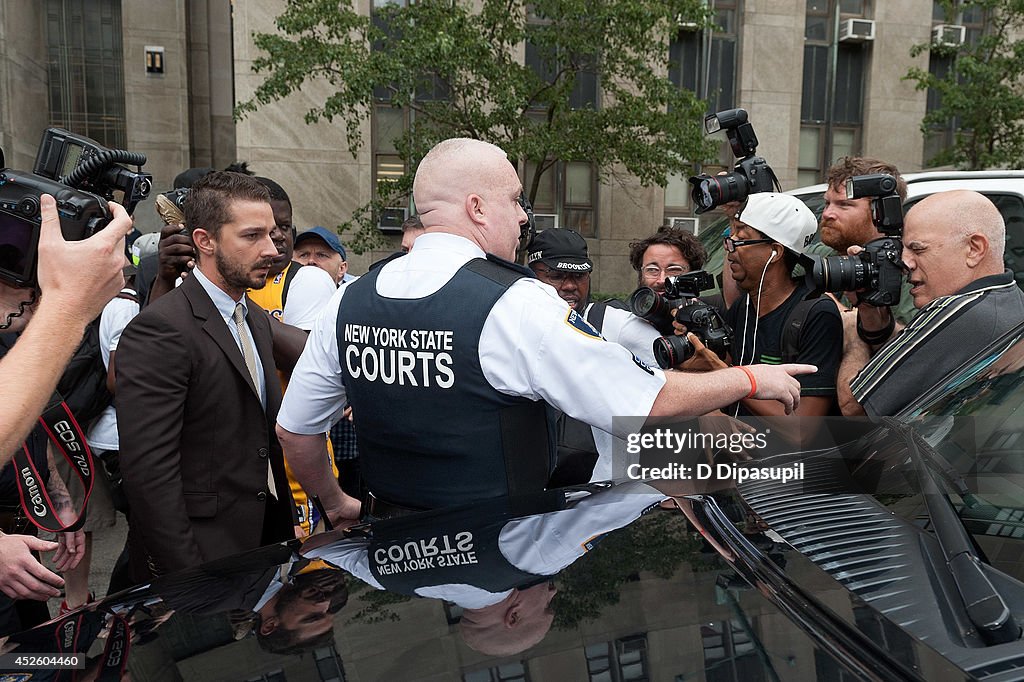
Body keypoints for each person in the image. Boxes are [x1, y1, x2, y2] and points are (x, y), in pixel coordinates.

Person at [277, 137, 813, 525]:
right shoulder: (514, 302)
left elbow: (296, 432)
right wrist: (747, 381)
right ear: (477, 207)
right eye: (515, 201)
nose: (523, 218)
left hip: (390, 544)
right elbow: (643, 401)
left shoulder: (350, 298)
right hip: (501, 544)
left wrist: (338, 503)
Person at [115, 171, 296, 582]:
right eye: (252, 236)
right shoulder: (161, 328)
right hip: (201, 556)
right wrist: (187, 574)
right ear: (205, 241)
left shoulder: (254, 318)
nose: (272, 249)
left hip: (265, 542)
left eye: (272, 234)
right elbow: (148, 472)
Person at [302, 480, 666, 656]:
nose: (553, 591)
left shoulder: (531, 559)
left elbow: (640, 490)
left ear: (514, 616)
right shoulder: (385, 578)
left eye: (549, 605)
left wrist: (711, 452)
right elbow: (317, 545)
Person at [842, 190, 1024, 417]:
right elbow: (912, 363)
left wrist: (851, 333)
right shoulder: (1008, 299)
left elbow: (853, 406)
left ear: (974, 249)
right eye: (903, 249)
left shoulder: (959, 311)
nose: (905, 262)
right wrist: (871, 311)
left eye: (918, 249)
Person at [526, 228, 660, 483]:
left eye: (579, 276)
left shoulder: (614, 324)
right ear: (531, 273)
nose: (569, 286)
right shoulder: (507, 323)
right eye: (555, 275)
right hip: (526, 493)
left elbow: (670, 383)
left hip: (600, 495)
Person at [699, 193, 843, 421]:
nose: (729, 247)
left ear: (775, 252)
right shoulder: (743, 307)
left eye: (741, 239)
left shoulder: (816, 314)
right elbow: (722, 369)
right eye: (730, 237)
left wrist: (731, 378)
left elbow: (801, 431)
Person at [628, 225, 708, 295]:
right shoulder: (623, 312)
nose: (662, 280)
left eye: (673, 270)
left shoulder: (712, 310)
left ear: (693, 273)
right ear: (641, 273)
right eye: (652, 270)